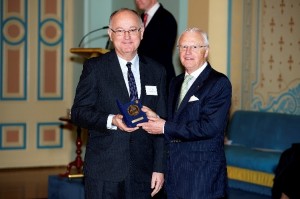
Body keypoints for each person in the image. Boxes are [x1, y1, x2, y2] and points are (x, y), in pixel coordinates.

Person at [71, 8, 167, 199]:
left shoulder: (157, 71)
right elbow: (78, 112)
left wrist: (159, 168)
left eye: (132, 30)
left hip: (144, 172)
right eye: (120, 30)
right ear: (110, 34)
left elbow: (162, 123)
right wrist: (112, 120)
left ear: (142, 32)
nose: (127, 36)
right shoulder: (95, 68)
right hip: (105, 171)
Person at [138, 28, 232, 199]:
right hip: (174, 172)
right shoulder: (176, 82)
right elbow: (177, 121)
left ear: (206, 51)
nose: (188, 52)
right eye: (183, 47)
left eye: (194, 47)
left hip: (202, 176)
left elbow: (209, 127)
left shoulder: (219, 83)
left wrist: (164, 126)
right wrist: (158, 118)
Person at [135, 0, 177, 86]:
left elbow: (161, 53)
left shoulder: (167, 19)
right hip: (142, 76)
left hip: (160, 78)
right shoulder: (140, 18)